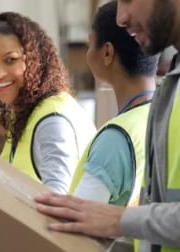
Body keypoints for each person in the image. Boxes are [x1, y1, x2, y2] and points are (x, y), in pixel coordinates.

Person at [35, 0, 180, 251]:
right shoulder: (167, 92)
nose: (121, 18)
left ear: (107, 53)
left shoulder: (116, 135)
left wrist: (118, 220)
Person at [0, 12, 96, 194]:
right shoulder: (24, 113)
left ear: (35, 60)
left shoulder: (52, 121)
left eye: (10, 60)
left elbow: (58, 205)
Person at [69, 1, 158, 209]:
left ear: (107, 53)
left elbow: (76, 224)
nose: (88, 53)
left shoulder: (114, 139)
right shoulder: (162, 116)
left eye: (90, 44)